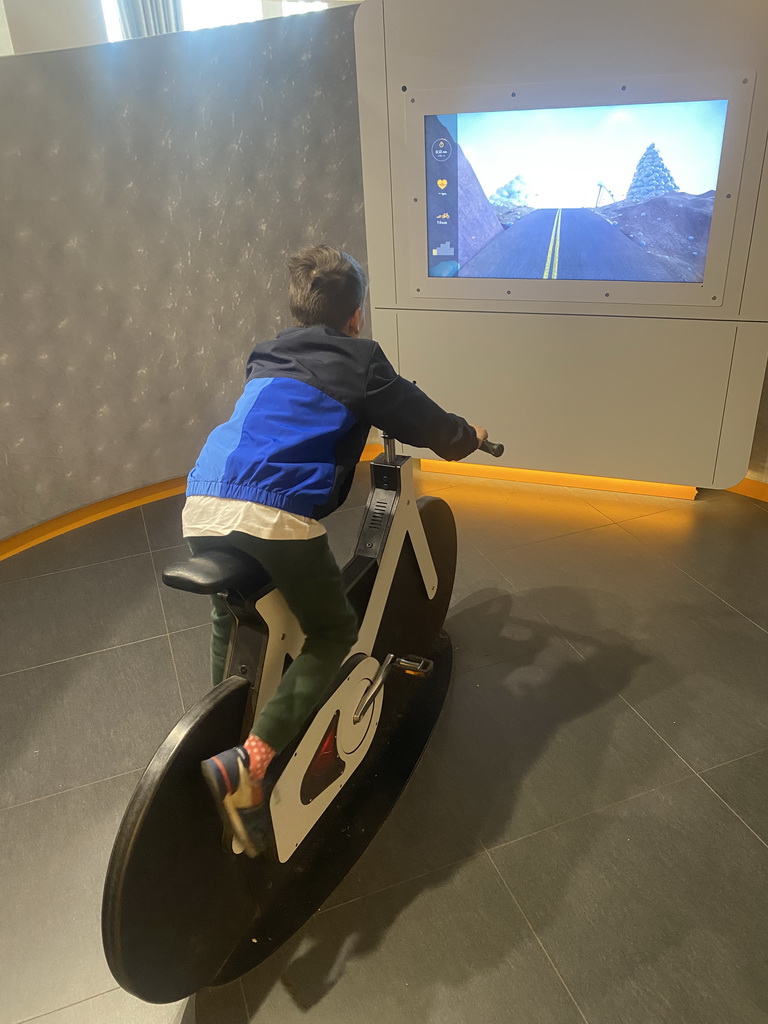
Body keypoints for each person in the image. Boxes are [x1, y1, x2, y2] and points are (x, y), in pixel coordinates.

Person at [182, 244, 487, 856]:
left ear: (298, 311)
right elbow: (426, 422)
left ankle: (210, 739)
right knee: (331, 633)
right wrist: (467, 437)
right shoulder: (362, 359)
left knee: (230, 610)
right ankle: (250, 763)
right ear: (356, 316)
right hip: (273, 513)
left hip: (201, 500)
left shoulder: (267, 353)